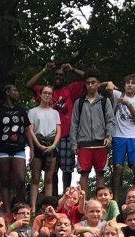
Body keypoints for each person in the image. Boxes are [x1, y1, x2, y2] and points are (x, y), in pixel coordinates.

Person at [25, 62, 86, 192]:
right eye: (56, 74)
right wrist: (44, 70)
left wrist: (73, 68)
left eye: (61, 75)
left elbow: (89, 79)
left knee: (67, 168)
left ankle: (66, 194)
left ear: (65, 77)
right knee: (51, 170)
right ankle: (52, 197)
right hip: (48, 138)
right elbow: (29, 85)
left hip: (66, 135)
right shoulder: (47, 92)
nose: (58, 76)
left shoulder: (70, 89)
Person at [69, 69, 115, 191]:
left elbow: (110, 120)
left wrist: (108, 136)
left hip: (101, 143)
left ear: (98, 83)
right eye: (88, 82)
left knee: (100, 173)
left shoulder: (105, 101)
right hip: (83, 143)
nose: (90, 85)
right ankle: (83, 205)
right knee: (83, 173)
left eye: (93, 82)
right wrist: (74, 143)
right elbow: (74, 124)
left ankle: (100, 204)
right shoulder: (79, 102)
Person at [0, 84, 31, 213]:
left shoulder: (21, 110)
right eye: (15, 90)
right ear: (7, 92)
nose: (17, 93)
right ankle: (7, 212)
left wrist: (32, 149)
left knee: (20, 179)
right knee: (5, 181)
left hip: (19, 148)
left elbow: (28, 130)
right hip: (1, 149)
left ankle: (22, 209)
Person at [106, 74, 135, 200]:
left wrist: (128, 104)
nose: (129, 85)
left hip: (133, 137)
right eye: (127, 82)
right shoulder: (118, 95)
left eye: (133, 83)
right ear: (124, 85)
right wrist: (109, 82)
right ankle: (115, 199)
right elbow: (102, 87)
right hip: (118, 136)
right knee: (117, 167)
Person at [27, 86, 61, 209]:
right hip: (38, 144)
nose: (47, 95)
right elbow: (31, 130)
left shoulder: (55, 113)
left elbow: (58, 131)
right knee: (35, 178)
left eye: (50, 93)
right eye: (45, 93)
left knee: (49, 177)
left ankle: (48, 206)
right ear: (40, 95)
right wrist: (38, 145)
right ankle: (33, 207)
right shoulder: (33, 111)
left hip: (51, 145)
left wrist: (53, 145)